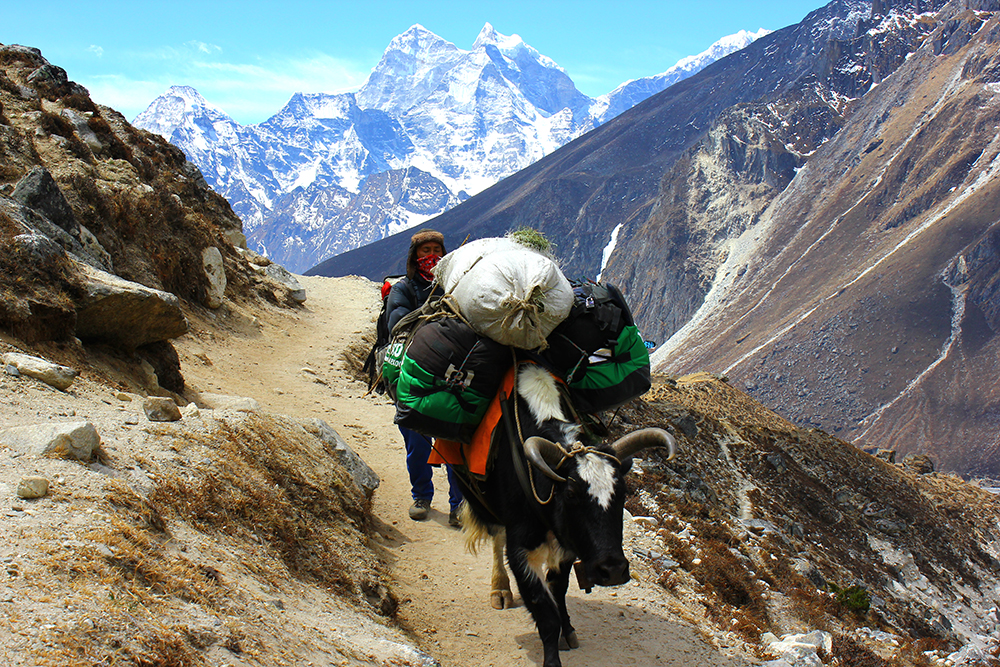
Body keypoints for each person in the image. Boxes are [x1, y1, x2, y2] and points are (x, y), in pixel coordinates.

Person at [385, 229, 464, 526]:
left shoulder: (456, 286)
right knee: (417, 442)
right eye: (425, 251)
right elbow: (398, 323)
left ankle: (459, 504)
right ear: (414, 256)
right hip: (413, 375)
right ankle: (421, 496)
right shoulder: (402, 290)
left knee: (453, 439)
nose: (431, 256)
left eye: (436, 250)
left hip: (450, 375)